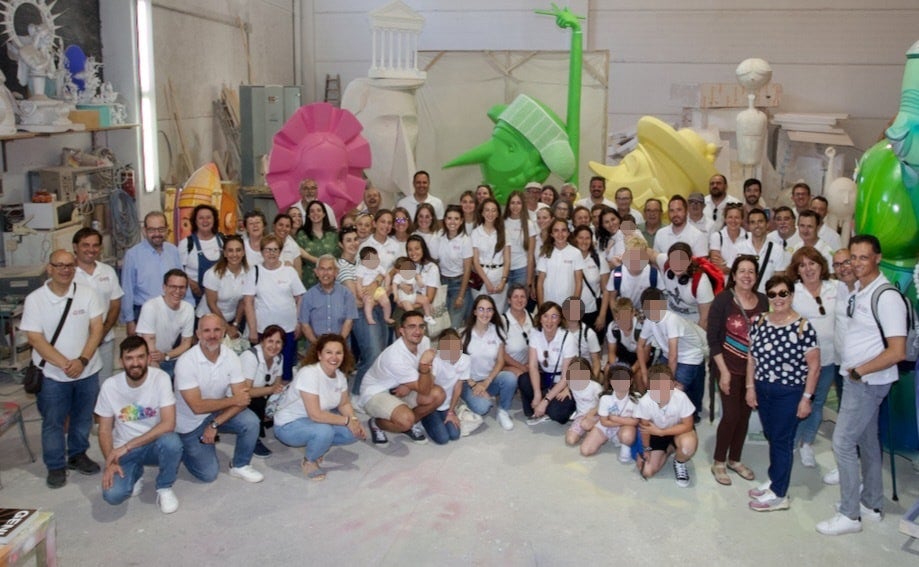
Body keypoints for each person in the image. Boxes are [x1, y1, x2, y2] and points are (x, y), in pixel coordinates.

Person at [817, 235, 907, 535]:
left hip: (868, 381)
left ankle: (849, 514)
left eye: (863, 257)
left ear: (878, 258)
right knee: (868, 442)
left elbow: (897, 351)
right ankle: (870, 503)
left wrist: (858, 371)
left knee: (842, 443)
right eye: (853, 257)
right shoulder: (860, 289)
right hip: (858, 378)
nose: (856, 263)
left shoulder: (887, 296)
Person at [23, 249, 105, 488]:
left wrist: (82, 360)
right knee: (53, 422)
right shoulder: (35, 299)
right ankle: (56, 465)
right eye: (59, 265)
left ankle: (77, 455)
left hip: (87, 371)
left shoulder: (87, 294)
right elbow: (35, 339)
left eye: (69, 265)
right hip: (52, 375)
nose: (65, 270)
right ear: (49, 268)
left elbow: (96, 329)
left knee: (82, 418)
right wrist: (65, 364)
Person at [746, 275, 819, 512]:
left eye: (783, 293)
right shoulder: (759, 321)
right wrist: (750, 387)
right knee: (772, 435)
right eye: (773, 294)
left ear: (791, 295)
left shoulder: (803, 326)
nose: (778, 298)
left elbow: (814, 366)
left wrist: (806, 399)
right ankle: (775, 478)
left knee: (782, 441)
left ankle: (779, 494)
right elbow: (751, 358)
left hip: (789, 392)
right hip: (763, 389)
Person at [95, 336, 183, 513]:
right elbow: (104, 429)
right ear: (121, 362)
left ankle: (164, 487)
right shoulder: (109, 386)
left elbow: (168, 424)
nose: (135, 363)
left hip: (154, 445)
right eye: (129, 358)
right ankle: (135, 474)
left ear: (149, 359)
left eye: (140, 357)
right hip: (124, 451)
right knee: (112, 495)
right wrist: (110, 461)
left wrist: (127, 446)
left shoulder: (161, 378)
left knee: (172, 442)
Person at [173, 314, 264, 484]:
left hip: (216, 413)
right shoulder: (186, 362)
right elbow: (197, 407)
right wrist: (233, 400)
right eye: (206, 331)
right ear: (198, 334)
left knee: (251, 422)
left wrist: (215, 424)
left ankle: (240, 465)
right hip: (191, 421)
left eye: (217, 330)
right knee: (208, 474)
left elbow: (243, 399)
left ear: (223, 332)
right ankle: (184, 447)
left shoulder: (231, 357)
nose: (212, 335)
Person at [707, 256, 768, 486]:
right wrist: (723, 372)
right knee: (731, 414)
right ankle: (719, 460)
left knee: (744, 415)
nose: (746, 275)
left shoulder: (763, 301)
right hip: (727, 367)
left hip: (753, 372)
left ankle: (735, 458)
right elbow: (712, 339)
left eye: (751, 271)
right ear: (733, 275)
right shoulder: (723, 300)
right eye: (742, 271)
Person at [273, 334, 365, 480]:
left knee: (352, 433)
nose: (334, 357)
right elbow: (315, 415)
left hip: (314, 422)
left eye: (338, 353)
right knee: (325, 431)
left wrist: (354, 420)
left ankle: (316, 443)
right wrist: (346, 421)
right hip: (288, 425)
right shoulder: (309, 373)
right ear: (319, 355)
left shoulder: (340, 376)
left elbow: (344, 403)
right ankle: (310, 461)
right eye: (329, 352)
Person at [359, 311, 446, 445]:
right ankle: (377, 423)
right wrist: (423, 366)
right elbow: (424, 387)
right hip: (376, 392)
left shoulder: (425, 341)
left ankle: (406, 422)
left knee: (438, 394)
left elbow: (430, 379)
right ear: (402, 331)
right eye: (411, 327)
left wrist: (408, 385)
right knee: (405, 419)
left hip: (401, 386)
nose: (417, 331)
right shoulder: (395, 356)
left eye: (421, 326)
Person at [788, 247, 838, 469]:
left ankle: (807, 443)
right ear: (796, 270)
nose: (808, 269)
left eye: (812, 264)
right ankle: (790, 443)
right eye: (802, 265)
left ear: (821, 265)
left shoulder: (835, 288)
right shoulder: (793, 292)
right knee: (798, 402)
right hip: (799, 363)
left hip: (828, 360)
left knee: (817, 403)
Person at [243, 234, 307, 381]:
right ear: (261, 251)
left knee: (285, 370)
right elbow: (248, 302)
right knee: (263, 369)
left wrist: (299, 323)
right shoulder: (254, 272)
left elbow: (300, 298)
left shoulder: (290, 272)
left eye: (275, 249)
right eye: (267, 249)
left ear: (280, 251)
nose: (271, 253)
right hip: (263, 330)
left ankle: (281, 400)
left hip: (288, 329)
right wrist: (252, 329)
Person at [637, 287, 707, 420]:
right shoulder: (649, 320)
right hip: (668, 355)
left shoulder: (671, 320)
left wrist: (670, 381)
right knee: (652, 382)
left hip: (689, 357)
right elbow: (640, 346)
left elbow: (674, 355)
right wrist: (645, 372)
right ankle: (654, 413)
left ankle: (684, 417)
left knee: (673, 391)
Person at [121, 211, 190, 336]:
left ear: (167, 230)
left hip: (174, 311)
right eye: (152, 230)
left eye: (161, 229)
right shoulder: (133, 255)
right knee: (149, 353)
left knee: (173, 351)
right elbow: (127, 290)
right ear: (144, 231)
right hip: (144, 314)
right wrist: (130, 321)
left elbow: (183, 281)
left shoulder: (172, 250)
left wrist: (190, 307)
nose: (157, 234)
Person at [634, 364, 699, 487]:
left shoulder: (681, 397)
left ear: (673, 384)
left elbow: (688, 425)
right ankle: (670, 449)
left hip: (678, 430)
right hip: (655, 433)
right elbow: (645, 428)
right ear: (649, 387)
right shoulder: (644, 402)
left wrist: (661, 432)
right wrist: (646, 449)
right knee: (647, 471)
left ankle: (679, 462)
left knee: (688, 447)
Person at [72, 227, 123, 383]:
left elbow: (115, 305)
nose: (91, 250)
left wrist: (101, 333)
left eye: (95, 245)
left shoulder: (107, 272)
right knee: (80, 386)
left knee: (104, 385)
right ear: (75, 247)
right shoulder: (67, 274)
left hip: (105, 341)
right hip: (76, 343)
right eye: (85, 245)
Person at [461, 295, 518, 430]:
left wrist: (486, 382)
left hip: (489, 379)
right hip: (468, 382)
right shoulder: (463, 334)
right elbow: (457, 366)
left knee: (510, 378)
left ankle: (503, 411)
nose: (485, 314)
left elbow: (500, 361)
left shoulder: (497, 331)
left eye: (489, 310)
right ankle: (468, 400)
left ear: (493, 312)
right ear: (474, 311)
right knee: (483, 407)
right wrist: (475, 385)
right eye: (481, 309)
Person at [522, 302, 577, 425]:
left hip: (564, 381)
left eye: (554, 316)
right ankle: (541, 405)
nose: (549, 321)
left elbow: (566, 377)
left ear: (560, 320)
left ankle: (555, 406)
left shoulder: (567, 338)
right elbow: (533, 366)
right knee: (524, 380)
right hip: (546, 377)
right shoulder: (535, 333)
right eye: (545, 316)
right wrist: (537, 394)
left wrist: (545, 401)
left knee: (557, 414)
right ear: (540, 318)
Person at [135, 269, 195, 378]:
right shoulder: (150, 307)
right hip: (149, 360)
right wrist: (158, 376)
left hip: (170, 357)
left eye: (182, 287)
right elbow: (149, 345)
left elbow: (186, 344)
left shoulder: (188, 309)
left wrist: (166, 356)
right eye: (173, 286)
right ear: (164, 287)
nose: (177, 291)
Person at [238, 326, 285, 458]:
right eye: (270, 341)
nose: (274, 346)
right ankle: (253, 438)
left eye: (278, 342)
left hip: (261, 392)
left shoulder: (279, 358)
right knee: (255, 403)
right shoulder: (250, 357)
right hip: (239, 396)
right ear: (262, 341)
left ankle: (266, 420)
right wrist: (271, 390)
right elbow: (245, 392)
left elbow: (277, 384)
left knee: (285, 398)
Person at [579, 364, 639, 462]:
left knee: (627, 436)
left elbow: (635, 422)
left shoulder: (636, 398)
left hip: (625, 428)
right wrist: (625, 421)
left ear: (631, 381)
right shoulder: (605, 398)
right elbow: (604, 422)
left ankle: (625, 444)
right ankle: (604, 437)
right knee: (585, 450)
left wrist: (615, 419)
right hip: (607, 426)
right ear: (611, 381)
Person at [421, 329, 468, 444]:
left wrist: (451, 412)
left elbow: (458, 388)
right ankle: (424, 417)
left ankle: (442, 417)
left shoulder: (465, 360)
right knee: (443, 439)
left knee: (455, 435)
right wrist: (428, 367)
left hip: (447, 406)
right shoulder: (436, 360)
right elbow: (428, 386)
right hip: (432, 404)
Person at [299, 255, 359, 345]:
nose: (325, 273)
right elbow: (304, 324)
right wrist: (317, 345)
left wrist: (338, 344)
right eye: (322, 269)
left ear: (336, 272)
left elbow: (349, 321)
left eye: (330, 269)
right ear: (316, 272)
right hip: (315, 346)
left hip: (341, 345)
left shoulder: (346, 294)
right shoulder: (308, 296)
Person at [657, 242, 714, 329]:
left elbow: (705, 319)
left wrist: (697, 340)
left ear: (690, 260)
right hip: (669, 316)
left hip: (692, 322)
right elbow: (650, 253)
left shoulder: (701, 282)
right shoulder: (665, 264)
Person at [433, 204, 473, 329]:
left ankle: (452, 348)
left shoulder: (465, 240)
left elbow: (467, 270)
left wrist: (461, 295)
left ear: (461, 221)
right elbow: (434, 260)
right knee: (441, 326)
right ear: (444, 220)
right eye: (449, 218)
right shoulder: (439, 236)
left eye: (456, 218)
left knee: (453, 326)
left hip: (458, 285)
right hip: (442, 284)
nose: (452, 222)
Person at [201, 235, 250, 334]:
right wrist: (226, 327)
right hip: (208, 320)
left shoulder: (249, 273)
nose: (234, 254)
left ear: (244, 252)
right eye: (230, 250)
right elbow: (211, 304)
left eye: (238, 250)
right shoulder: (213, 274)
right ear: (225, 253)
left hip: (232, 321)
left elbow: (242, 302)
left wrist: (235, 324)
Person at [179, 204, 224, 306]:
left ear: (214, 220)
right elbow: (179, 270)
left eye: (208, 217)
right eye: (201, 218)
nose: (205, 221)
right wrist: (190, 283)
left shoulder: (223, 240)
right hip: (195, 298)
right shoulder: (186, 244)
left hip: (221, 298)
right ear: (195, 221)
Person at [471, 198, 511, 312]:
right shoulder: (476, 233)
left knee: (497, 312)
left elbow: (507, 260)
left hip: (499, 275)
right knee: (480, 311)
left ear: (498, 213)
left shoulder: (504, 232)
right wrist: (487, 282)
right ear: (482, 213)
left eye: (494, 210)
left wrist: (503, 281)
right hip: (481, 277)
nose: (490, 213)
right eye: (487, 210)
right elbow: (475, 262)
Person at [606, 235, 662, 310]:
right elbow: (612, 299)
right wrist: (617, 318)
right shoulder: (617, 274)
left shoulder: (653, 274)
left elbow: (660, 298)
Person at [536, 219, 584, 306]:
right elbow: (540, 282)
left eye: (563, 230)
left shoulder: (576, 253)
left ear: (568, 233)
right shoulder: (545, 252)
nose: (560, 234)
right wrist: (541, 306)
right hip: (548, 303)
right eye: (556, 231)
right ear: (551, 234)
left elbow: (579, 282)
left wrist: (574, 309)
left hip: (568, 304)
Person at [736, 208, 784, 293]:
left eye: (760, 221)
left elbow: (779, 281)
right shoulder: (738, 248)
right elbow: (735, 277)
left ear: (767, 224)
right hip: (743, 300)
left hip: (767, 300)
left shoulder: (777, 249)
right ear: (748, 226)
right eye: (753, 222)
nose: (757, 225)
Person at [296, 200, 339, 290]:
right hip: (308, 280)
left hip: (330, 281)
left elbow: (338, 258)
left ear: (324, 214)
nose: (315, 213)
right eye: (312, 211)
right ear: (308, 215)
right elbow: (299, 256)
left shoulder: (333, 234)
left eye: (319, 210)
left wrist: (311, 257)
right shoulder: (301, 234)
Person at [573, 225, 610, 331]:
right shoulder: (568, 259)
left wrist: (602, 316)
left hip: (593, 311)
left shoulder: (599, 260)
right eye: (580, 238)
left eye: (587, 238)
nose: (584, 241)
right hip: (571, 312)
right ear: (575, 239)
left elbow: (606, 291)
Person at [563, 358, 604, 446]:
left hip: (595, 415)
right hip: (581, 416)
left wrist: (592, 412)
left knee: (586, 425)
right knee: (570, 440)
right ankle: (586, 431)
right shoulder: (571, 383)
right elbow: (568, 384)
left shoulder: (595, 386)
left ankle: (596, 428)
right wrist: (565, 390)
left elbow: (604, 403)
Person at [402, 235, 442, 324]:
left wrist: (411, 306)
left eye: (417, 248)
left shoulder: (432, 267)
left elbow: (429, 298)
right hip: (403, 306)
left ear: (423, 249)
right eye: (410, 250)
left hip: (422, 308)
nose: (413, 252)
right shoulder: (406, 265)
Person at [503, 190, 536, 289]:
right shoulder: (502, 222)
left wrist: (529, 280)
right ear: (508, 205)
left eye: (518, 203)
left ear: (523, 205)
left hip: (522, 270)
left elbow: (530, 255)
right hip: (504, 270)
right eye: (512, 203)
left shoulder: (529, 224)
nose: (515, 206)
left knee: (519, 302)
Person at [502, 283, 533, 380]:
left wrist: (531, 365)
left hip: (530, 365)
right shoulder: (502, 321)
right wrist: (522, 367)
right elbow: (501, 354)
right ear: (509, 300)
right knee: (523, 378)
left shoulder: (534, 318)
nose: (519, 300)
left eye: (522, 297)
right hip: (506, 366)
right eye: (515, 297)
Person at [355, 247, 394, 326]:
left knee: (386, 301)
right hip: (366, 291)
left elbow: (387, 276)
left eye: (376, 259)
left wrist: (386, 285)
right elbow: (358, 282)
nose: (375, 262)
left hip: (378, 289)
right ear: (363, 262)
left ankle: (387, 317)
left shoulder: (379, 267)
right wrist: (359, 292)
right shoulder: (361, 269)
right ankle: (369, 318)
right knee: (368, 303)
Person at [392, 256, 436, 324]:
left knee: (425, 299)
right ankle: (413, 320)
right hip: (404, 298)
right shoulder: (398, 276)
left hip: (413, 295)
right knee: (408, 307)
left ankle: (428, 316)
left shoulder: (413, 274)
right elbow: (394, 285)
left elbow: (420, 283)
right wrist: (395, 295)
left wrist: (419, 281)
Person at [605, 297, 643, 373]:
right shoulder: (613, 327)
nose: (624, 321)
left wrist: (631, 371)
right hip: (624, 354)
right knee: (607, 369)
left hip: (639, 356)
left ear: (633, 313)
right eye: (620, 318)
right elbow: (611, 353)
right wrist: (617, 370)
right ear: (616, 316)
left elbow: (645, 355)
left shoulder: (641, 327)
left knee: (639, 375)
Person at [709, 204, 748, 274]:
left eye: (737, 217)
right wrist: (740, 268)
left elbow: (750, 265)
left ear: (742, 219)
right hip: (721, 282)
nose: (733, 221)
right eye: (730, 217)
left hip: (743, 282)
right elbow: (716, 266)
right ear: (725, 219)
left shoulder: (749, 237)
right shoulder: (716, 236)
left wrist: (725, 264)